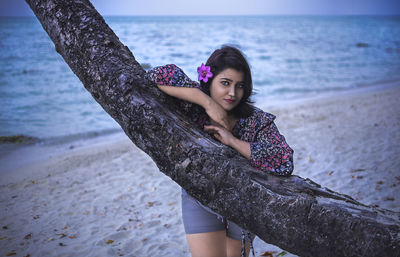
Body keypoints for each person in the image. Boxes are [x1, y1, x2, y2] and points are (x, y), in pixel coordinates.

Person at [146, 45, 294, 257]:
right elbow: (155, 75)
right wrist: (207, 103)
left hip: (243, 199)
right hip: (199, 196)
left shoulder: (256, 120)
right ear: (209, 80)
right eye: (225, 83)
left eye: (240, 85)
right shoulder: (192, 105)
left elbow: (284, 159)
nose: (233, 93)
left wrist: (233, 141)